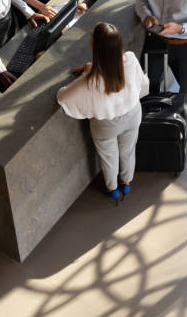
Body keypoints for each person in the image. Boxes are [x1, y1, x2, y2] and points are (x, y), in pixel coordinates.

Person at [57, 23, 149, 202]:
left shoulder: (90, 82)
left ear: (94, 46)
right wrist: (90, 68)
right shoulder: (129, 60)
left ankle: (112, 189)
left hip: (107, 125)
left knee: (109, 157)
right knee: (128, 150)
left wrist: (86, 72)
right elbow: (142, 85)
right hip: (133, 114)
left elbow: (63, 98)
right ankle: (127, 181)